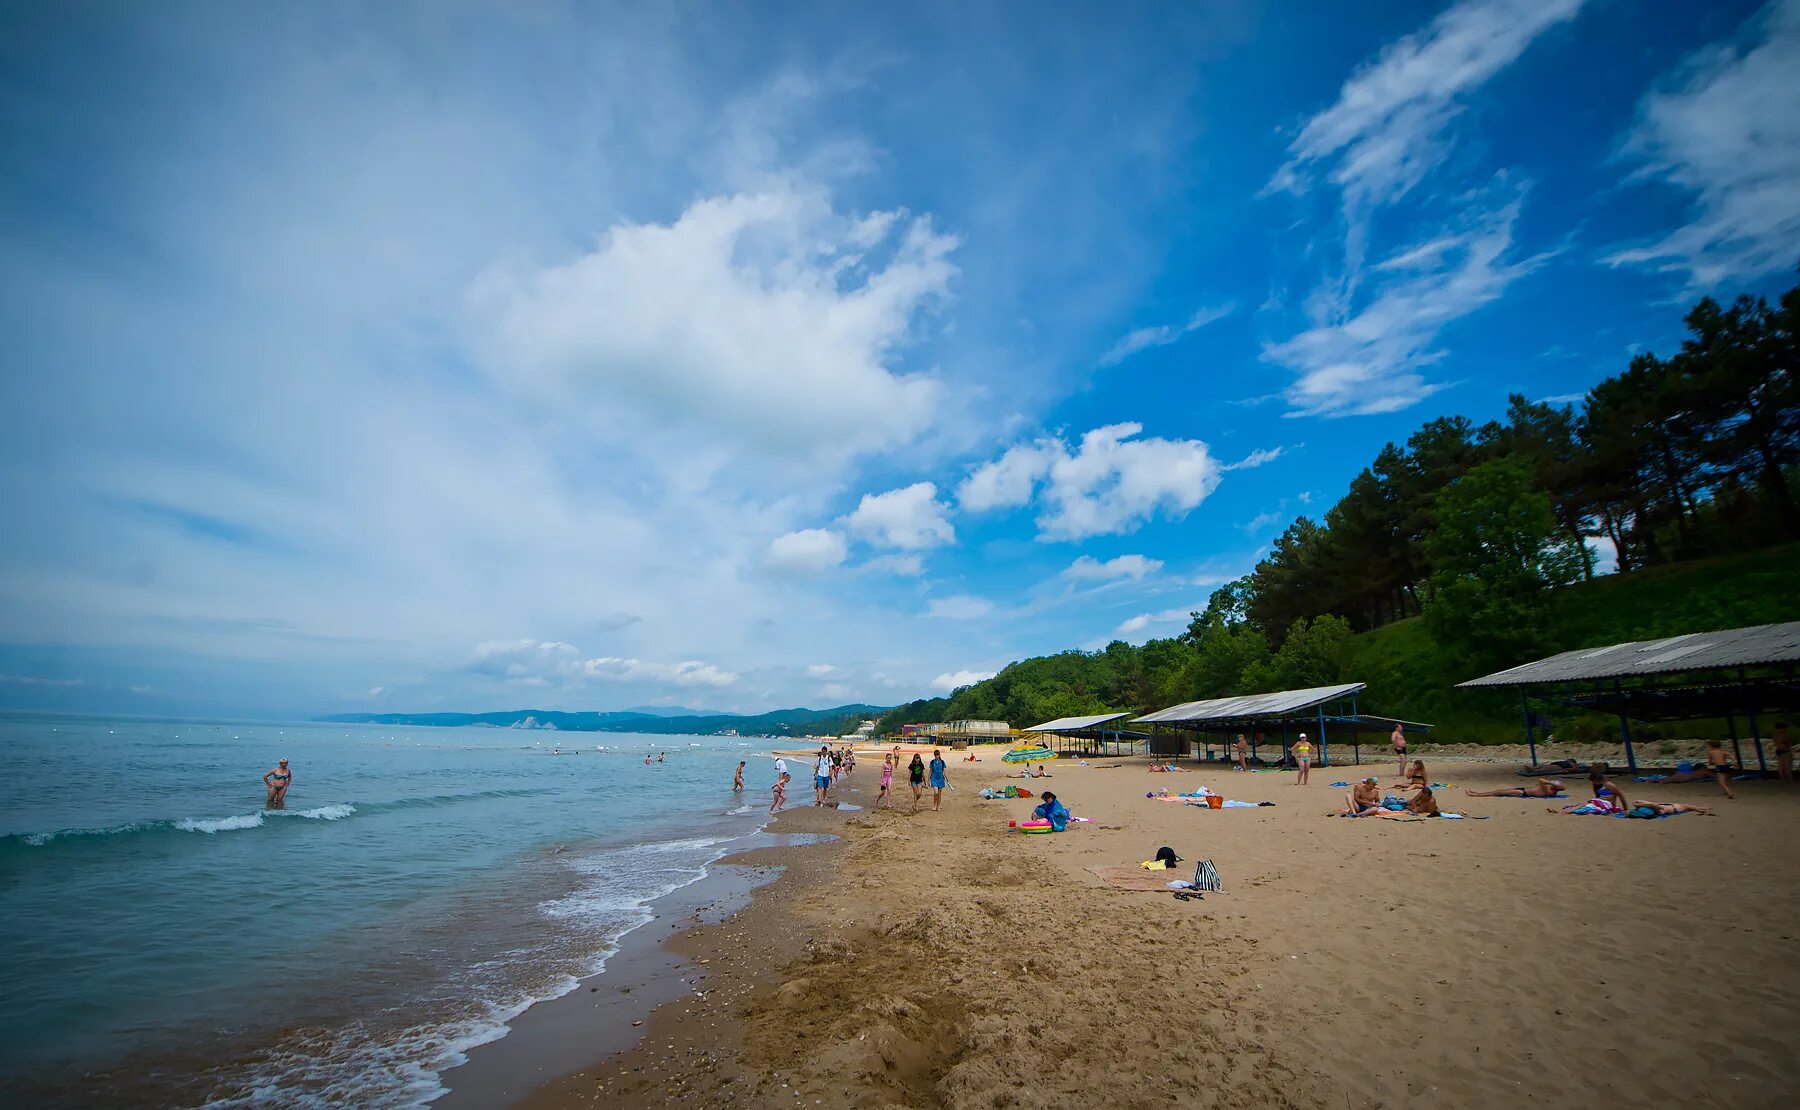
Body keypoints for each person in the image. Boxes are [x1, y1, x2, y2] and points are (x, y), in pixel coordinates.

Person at [1467, 778, 1564, 798]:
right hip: (1523, 789)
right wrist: (1553, 783)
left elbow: (1541, 780)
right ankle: (1476, 793)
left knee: (1498, 793)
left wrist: (1552, 782)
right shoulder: (1549, 788)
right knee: (1498, 791)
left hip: (1522, 793)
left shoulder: (1550, 792)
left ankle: (1475, 795)